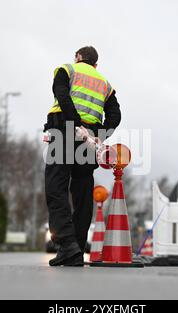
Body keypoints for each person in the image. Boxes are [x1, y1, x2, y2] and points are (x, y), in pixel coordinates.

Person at [44, 46, 121, 266]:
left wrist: (74, 121)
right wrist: (99, 135)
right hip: (89, 141)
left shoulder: (67, 70)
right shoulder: (105, 84)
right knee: (83, 191)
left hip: (63, 133)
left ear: (78, 57)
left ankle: (67, 246)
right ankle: (76, 248)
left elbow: (61, 95)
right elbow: (115, 115)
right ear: (96, 65)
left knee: (56, 187)